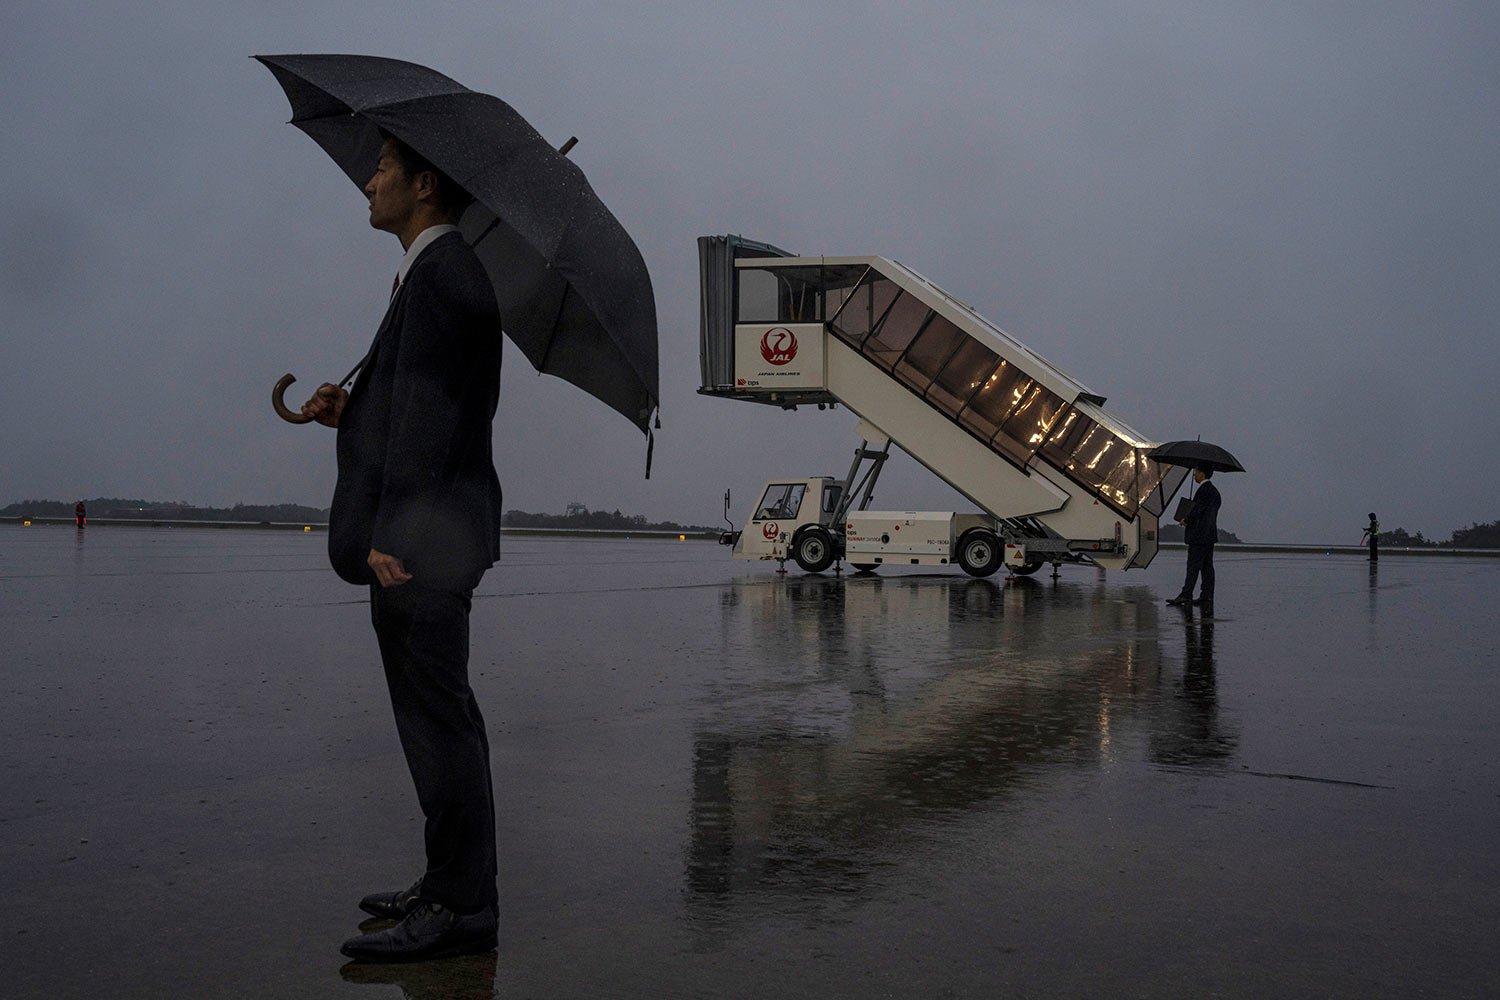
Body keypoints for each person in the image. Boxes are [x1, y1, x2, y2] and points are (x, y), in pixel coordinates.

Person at [300, 132, 503, 963]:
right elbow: (414, 404)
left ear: (423, 183)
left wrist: (392, 531)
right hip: (426, 536)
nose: (368, 184)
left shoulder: (445, 274)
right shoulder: (431, 272)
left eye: (380, 170)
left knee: (441, 727)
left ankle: (461, 909)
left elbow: (438, 418)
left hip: (424, 544)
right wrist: (351, 411)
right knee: (432, 725)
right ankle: (447, 881)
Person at [1167, 467, 1221, 610]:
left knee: (1193, 566)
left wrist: (1186, 519)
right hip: (1209, 535)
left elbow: (1198, 511)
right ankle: (1206, 595)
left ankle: (1186, 594)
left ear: (1202, 473)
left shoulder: (1202, 491)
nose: (1194, 475)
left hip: (1198, 536)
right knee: (1207, 567)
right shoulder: (1215, 492)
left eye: (1196, 472)